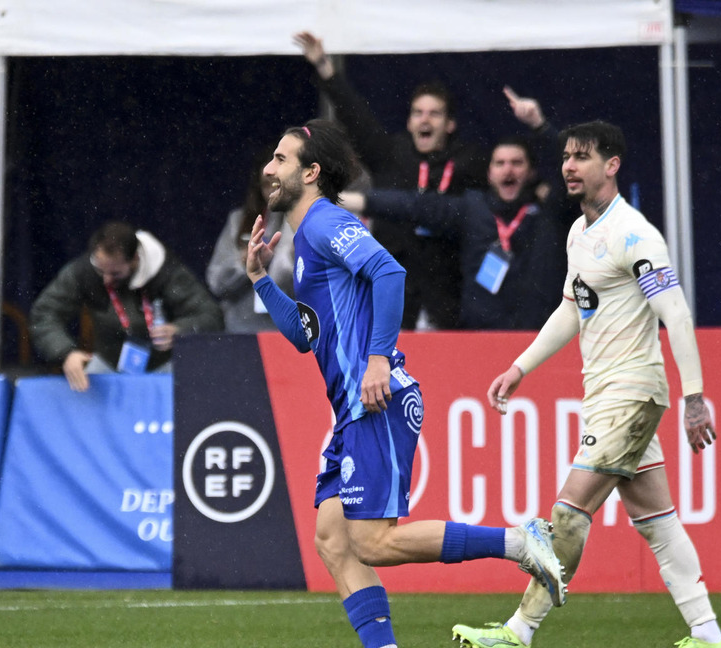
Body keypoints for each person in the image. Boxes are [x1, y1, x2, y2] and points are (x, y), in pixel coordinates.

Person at [244, 118, 565, 648]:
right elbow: (305, 335)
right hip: (352, 409)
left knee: (371, 541)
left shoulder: (325, 222)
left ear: (311, 173)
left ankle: (522, 541)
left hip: (378, 396)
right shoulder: (304, 236)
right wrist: (263, 280)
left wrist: (376, 359)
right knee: (333, 537)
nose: (270, 167)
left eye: (282, 158)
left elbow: (390, 271)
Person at [449, 120, 721, 648]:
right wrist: (520, 366)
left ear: (612, 165)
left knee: (569, 512)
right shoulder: (580, 234)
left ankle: (519, 630)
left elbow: (674, 310)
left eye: (582, 157)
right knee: (657, 520)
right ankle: (708, 633)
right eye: (566, 158)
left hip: (631, 392)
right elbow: (573, 308)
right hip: (605, 394)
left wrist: (695, 396)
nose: (569, 167)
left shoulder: (635, 235)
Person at [294, 31, 488, 331]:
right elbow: (356, 117)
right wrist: (325, 68)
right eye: (418, 113)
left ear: (450, 124)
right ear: (409, 121)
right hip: (392, 286)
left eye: (434, 114)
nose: (425, 120)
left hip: (447, 289)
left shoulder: (468, 162)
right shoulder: (391, 154)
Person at [341, 87, 569, 329]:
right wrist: (348, 201)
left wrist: (540, 125)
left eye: (517, 163)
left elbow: (570, 170)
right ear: (489, 173)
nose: (508, 170)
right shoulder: (473, 208)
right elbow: (415, 206)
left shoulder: (550, 212)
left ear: (532, 172)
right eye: (500, 163)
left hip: (537, 336)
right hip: (479, 336)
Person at [30, 221, 223, 392]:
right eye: (100, 270)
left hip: (164, 364)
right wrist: (66, 353)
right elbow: (44, 314)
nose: (106, 279)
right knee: (82, 394)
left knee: (186, 398)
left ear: (135, 260)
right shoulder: (85, 272)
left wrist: (180, 330)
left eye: (115, 273)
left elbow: (211, 315)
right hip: (108, 361)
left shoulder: (166, 273)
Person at [207, 147, 296, 332]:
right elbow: (216, 283)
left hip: (291, 329)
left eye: (279, 182)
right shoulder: (240, 221)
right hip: (243, 331)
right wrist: (246, 264)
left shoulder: (305, 219)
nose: (273, 190)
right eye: (266, 184)